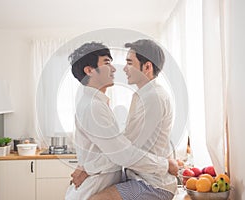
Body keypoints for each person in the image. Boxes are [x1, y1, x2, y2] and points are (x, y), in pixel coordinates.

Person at [65, 42, 178, 200]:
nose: (118, 68)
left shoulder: (152, 97)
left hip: (151, 182)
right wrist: (165, 164)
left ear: (147, 67)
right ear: (89, 70)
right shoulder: (94, 106)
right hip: (138, 179)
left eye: (129, 63)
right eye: (107, 63)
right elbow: (122, 151)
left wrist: (87, 168)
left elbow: (123, 150)